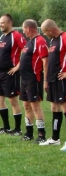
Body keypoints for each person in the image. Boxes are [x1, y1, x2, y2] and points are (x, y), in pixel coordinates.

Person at [0, 14, 26, 135]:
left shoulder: (16, 36)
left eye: (2, 22)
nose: (0, 25)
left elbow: (25, 51)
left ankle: (18, 129)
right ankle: (6, 127)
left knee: (13, 101)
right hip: (0, 74)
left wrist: (17, 67)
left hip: (10, 73)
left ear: (9, 23)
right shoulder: (2, 37)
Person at [19, 19, 48, 143]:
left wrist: (45, 80)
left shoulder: (40, 41)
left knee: (35, 106)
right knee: (26, 105)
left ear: (29, 28)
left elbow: (45, 61)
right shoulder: (29, 42)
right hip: (24, 79)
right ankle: (29, 133)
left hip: (34, 78)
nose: (23, 32)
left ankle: (41, 135)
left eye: (23, 29)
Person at [40, 19, 66, 151]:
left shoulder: (64, 37)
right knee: (54, 108)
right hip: (52, 80)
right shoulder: (52, 41)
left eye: (45, 32)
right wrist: (46, 80)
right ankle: (55, 139)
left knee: (65, 108)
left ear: (50, 30)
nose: (45, 35)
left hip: (62, 80)